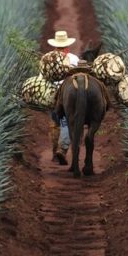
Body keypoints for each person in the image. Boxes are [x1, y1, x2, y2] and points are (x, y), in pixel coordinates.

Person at [47, 30, 79, 165]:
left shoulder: (48, 58)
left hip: (53, 94)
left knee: (55, 123)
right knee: (66, 122)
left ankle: (55, 152)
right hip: (70, 94)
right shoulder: (74, 58)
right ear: (67, 45)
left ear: (55, 45)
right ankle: (63, 148)